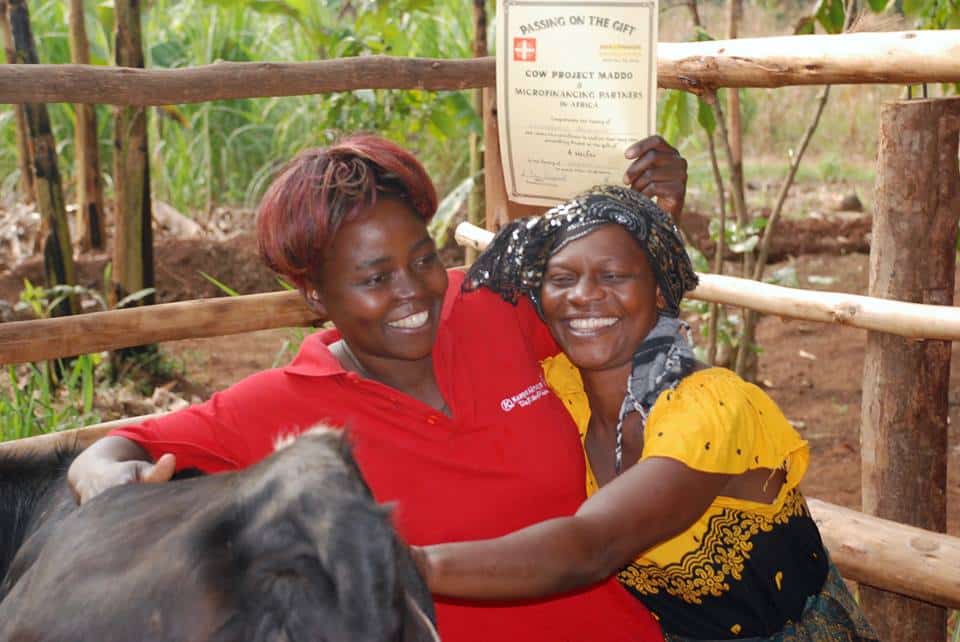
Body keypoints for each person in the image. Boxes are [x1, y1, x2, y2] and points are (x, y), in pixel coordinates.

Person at [67, 135, 686, 642]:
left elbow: (603, 303)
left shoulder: (492, 308)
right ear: (315, 294)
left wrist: (651, 218)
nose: (413, 291)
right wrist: (107, 482)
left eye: (422, 259)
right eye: (374, 278)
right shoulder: (276, 408)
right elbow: (116, 448)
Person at [416, 185, 878, 641]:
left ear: (658, 291)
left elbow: (594, 545)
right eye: (561, 279)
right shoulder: (556, 391)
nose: (583, 295)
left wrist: (411, 564)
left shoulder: (711, 407)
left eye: (613, 276)